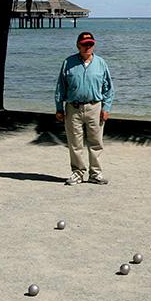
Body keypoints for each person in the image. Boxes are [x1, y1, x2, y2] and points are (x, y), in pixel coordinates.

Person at [55, 31, 114, 186]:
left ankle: (96, 174)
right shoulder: (68, 63)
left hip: (95, 107)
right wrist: (59, 108)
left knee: (96, 143)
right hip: (73, 108)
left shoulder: (101, 63)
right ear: (78, 45)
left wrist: (106, 107)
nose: (87, 47)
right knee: (75, 143)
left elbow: (108, 88)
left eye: (90, 44)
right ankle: (77, 173)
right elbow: (61, 86)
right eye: (84, 44)